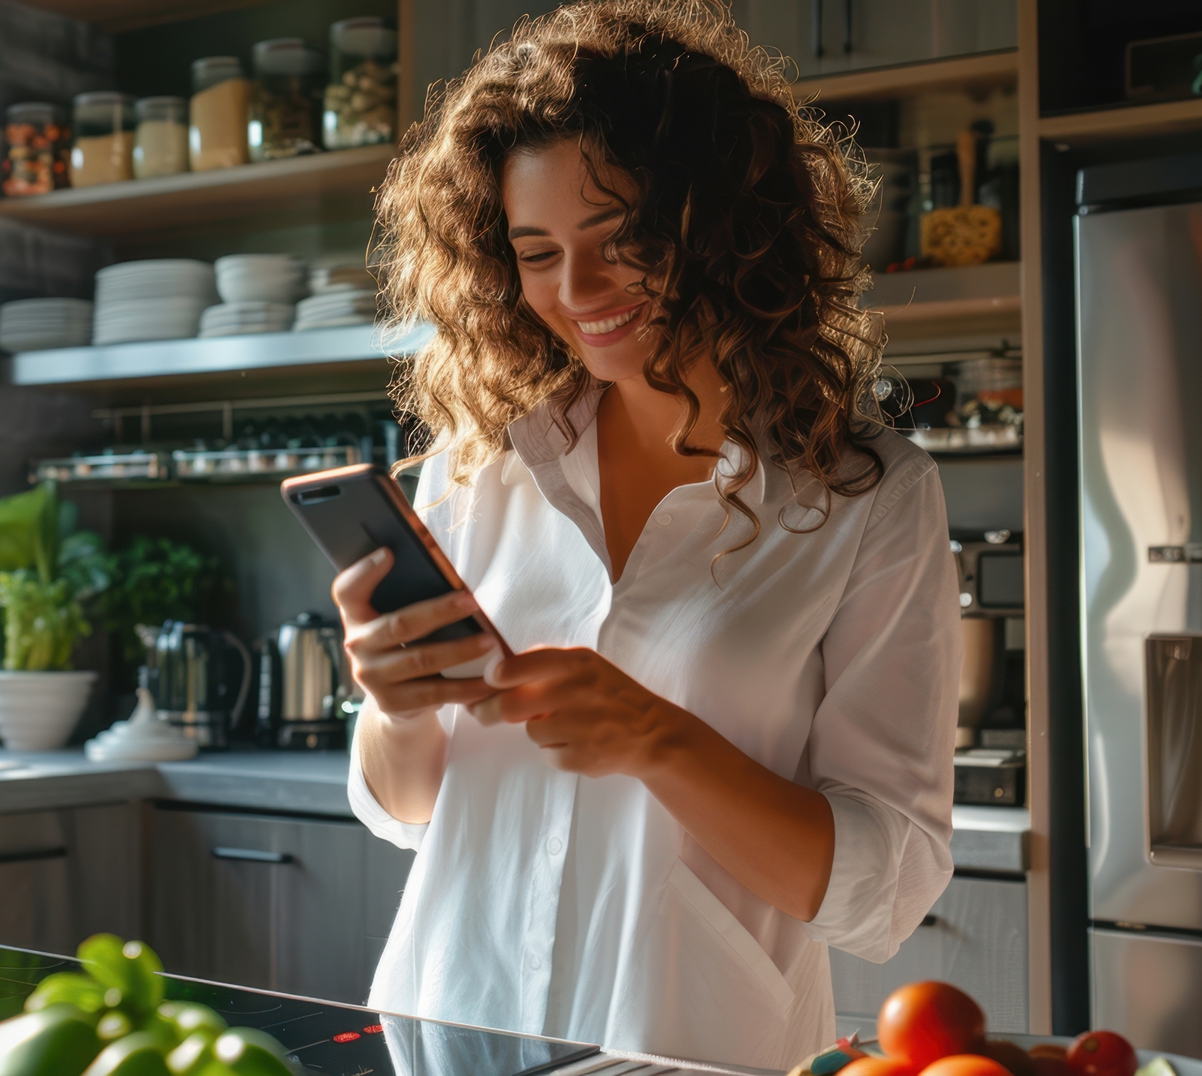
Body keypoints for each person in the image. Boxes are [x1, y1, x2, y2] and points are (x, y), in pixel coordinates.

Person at [335, 1, 960, 1068]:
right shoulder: (476, 469)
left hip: (694, 1041)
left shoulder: (864, 495)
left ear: (720, 225)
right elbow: (403, 807)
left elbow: (885, 877)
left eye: (620, 239)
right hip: (457, 1024)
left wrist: (661, 740)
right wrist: (394, 707)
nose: (577, 293)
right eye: (537, 253)